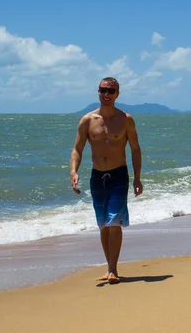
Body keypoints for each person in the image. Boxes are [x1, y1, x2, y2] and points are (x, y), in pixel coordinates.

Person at [70, 77, 143, 284]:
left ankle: (113, 268)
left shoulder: (126, 119)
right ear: (98, 92)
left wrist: (137, 177)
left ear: (117, 94)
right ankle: (109, 265)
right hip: (97, 176)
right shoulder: (87, 120)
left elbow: (135, 149)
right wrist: (73, 172)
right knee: (103, 224)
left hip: (119, 174)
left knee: (114, 222)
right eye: (103, 90)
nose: (106, 94)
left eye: (111, 91)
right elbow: (77, 148)